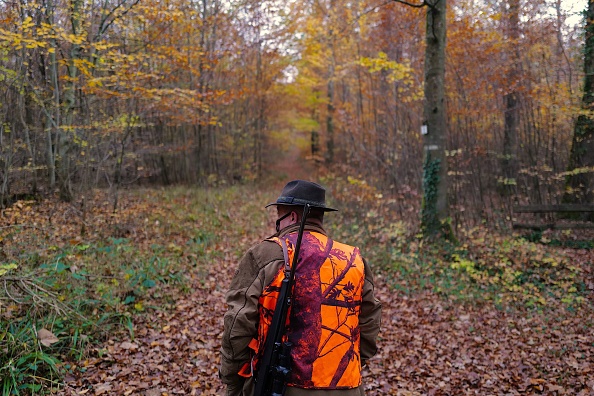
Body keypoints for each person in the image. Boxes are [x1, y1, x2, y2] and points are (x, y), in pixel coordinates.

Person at [220, 180, 382, 396]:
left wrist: (233, 381)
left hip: (279, 387)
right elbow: (370, 323)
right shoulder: (354, 259)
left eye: (279, 217)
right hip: (348, 385)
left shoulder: (265, 255)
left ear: (292, 217)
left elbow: (237, 325)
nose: (277, 225)